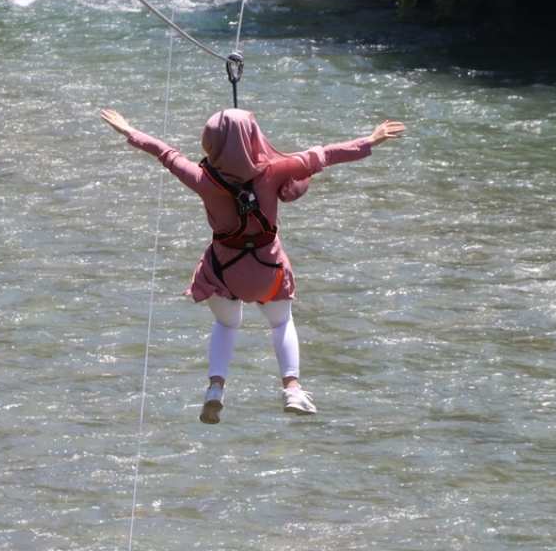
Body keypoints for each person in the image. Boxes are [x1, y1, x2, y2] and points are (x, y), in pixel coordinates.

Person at [101, 107, 405, 424]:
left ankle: (215, 388)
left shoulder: (201, 179)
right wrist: (370, 140)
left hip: (223, 272)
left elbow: (166, 153)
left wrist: (129, 130)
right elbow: (326, 155)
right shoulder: (278, 169)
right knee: (280, 323)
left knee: (227, 325)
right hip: (267, 271)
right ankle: (292, 389)